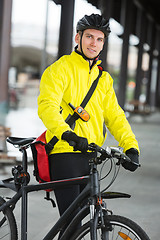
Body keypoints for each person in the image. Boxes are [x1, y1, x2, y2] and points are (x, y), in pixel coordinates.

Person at [38, 13, 139, 233]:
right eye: (89, 37)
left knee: (89, 220)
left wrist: (130, 145)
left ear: (103, 44)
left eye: (99, 39)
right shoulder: (60, 69)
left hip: (91, 155)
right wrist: (67, 133)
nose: (94, 43)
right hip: (65, 152)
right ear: (78, 38)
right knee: (72, 224)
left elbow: (115, 115)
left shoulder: (104, 79)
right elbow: (47, 106)